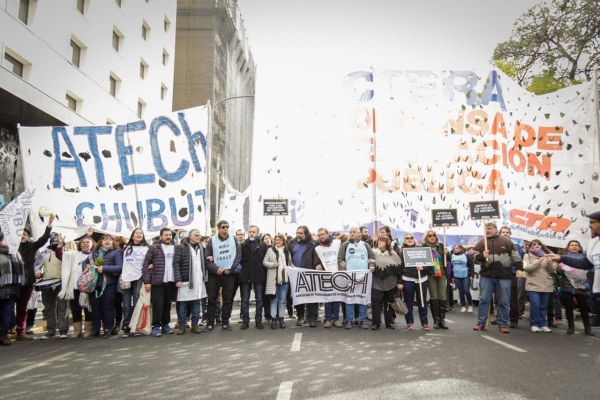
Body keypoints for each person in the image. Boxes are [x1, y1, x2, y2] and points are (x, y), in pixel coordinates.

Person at [547, 211, 600, 335]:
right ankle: (572, 326)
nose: (589, 226)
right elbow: (585, 263)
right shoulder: (594, 243)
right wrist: (561, 258)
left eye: (592, 222)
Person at [472, 222, 523, 334]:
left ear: (496, 229)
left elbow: (516, 257)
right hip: (486, 275)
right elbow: (474, 257)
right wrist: (482, 256)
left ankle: (502, 324)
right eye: (486, 229)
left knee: (504, 301)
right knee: (484, 300)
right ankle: (481, 322)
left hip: (504, 276)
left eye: (489, 228)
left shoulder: (506, 241)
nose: (487, 231)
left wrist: (519, 269)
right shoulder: (481, 242)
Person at [15, 215, 54, 341]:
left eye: (24, 234)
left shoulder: (31, 247)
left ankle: (20, 331)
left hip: (27, 283)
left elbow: (43, 239)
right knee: (7, 308)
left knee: (22, 308)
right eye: (19, 233)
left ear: (28, 236)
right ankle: (7, 330)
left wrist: (49, 225)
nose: (22, 236)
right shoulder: (10, 248)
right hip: (11, 283)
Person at [204, 220, 242, 332]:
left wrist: (230, 269)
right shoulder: (212, 241)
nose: (225, 229)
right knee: (211, 299)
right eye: (223, 227)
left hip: (228, 274)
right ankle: (210, 322)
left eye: (227, 227)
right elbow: (207, 257)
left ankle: (225, 322)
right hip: (214, 275)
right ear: (218, 229)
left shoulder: (234, 239)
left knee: (227, 300)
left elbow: (238, 256)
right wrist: (216, 269)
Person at [338, 226, 375, 329]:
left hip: (364, 276)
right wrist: (342, 271)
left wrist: (372, 266)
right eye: (350, 232)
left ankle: (362, 320)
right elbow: (340, 259)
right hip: (350, 276)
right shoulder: (344, 245)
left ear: (359, 234)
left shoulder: (365, 245)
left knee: (362, 298)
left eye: (354, 232)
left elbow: (372, 257)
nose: (352, 233)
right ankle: (349, 319)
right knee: (349, 298)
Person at [59, 230, 94, 338]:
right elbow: (60, 255)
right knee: (75, 309)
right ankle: (77, 330)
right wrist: (61, 244)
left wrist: (88, 235)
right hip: (74, 287)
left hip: (88, 288)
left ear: (92, 244)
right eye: (83, 242)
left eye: (87, 242)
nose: (85, 244)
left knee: (88, 309)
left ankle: (88, 329)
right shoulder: (74, 255)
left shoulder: (95, 255)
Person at [142, 228, 176, 337]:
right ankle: (156, 326)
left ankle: (166, 324)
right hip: (157, 281)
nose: (168, 237)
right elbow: (146, 264)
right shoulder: (154, 248)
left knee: (167, 304)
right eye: (165, 235)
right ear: (161, 236)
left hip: (171, 281)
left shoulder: (176, 247)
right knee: (157, 305)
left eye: (170, 235)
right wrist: (147, 281)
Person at [88, 235, 123, 338]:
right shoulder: (94, 253)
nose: (107, 241)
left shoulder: (116, 252)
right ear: (101, 242)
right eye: (105, 239)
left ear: (113, 242)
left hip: (109, 284)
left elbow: (119, 267)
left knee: (108, 307)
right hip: (94, 284)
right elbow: (85, 263)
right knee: (95, 308)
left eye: (110, 239)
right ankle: (96, 330)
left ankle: (107, 329)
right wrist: (87, 267)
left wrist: (104, 268)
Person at [556, 240, 594, 335]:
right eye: (572, 245)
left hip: (581, 287)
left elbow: (590, 273)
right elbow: (559, 273)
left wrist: (587, 286)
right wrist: (559, 269)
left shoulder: (585, 259)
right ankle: (570, 327)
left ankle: (587, 328)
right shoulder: (564, 259)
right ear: (568, 247)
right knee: (568, 307)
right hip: (567, 286)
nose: (574, 247)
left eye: (576, 245)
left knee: (583, 307)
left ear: (579, 247)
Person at [36, 232, 70, 339]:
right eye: (54, 240)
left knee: (62, 307)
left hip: (61, 283)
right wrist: (37, 273)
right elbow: (36, 266)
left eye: (58, 240)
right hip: (46, 283)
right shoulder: (44, 253)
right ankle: (51, 330)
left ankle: (63, 330)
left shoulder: (66, 252)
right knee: (49, 308)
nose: (56, 242)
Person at [173, 229, 207, 335]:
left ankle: (195, 325)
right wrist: (178, 279)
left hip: (198, 280)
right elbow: (176, 264)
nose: (198, 237)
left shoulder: (201, 247)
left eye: (199, 235)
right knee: (183, 304)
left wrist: (209, 258)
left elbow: (203, 262)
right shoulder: (181, 247)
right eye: (196, 235)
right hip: (185, 280)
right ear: (190, 236)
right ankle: (182, 326)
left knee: (196, 303)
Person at [119, 229, 149, 337]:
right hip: (126, 278)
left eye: (141, 233)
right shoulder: (125, 248)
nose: (139, 234)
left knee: (137, 304)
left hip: (139, 278)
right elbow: (117, 239)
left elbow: (151, 260)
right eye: (137, 233)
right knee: (126, 305)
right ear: (132, 236)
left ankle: (135, 326)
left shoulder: (147, 248)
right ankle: (126, 326)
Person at [522, 239, 557, 333]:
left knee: (543, 306)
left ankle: (542, 324)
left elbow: (552, 270)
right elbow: (527, 268)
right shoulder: (527, 255)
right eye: (534, 244)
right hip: (533, 284)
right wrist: (538, 261)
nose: (537, 245)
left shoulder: (546, 255)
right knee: (535, 305)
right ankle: (534, 324)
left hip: (546, 284)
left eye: (539, 244)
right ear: (531, 246)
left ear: (542, 246)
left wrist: (549, 262)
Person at [399, 233, 431, 331]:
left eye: (411, 238)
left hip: (421, 278)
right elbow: (398, 267)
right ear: (404, 240)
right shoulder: (400, 251)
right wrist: (399, 281)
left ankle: (424, 323)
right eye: (407, 238)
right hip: (407, 278)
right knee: (409, 302)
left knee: (422, 301)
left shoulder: (422, 249)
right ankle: (409, 322)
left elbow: (430, 264)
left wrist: (423, 267)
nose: (409, 239)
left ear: (414, 239)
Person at [289, 226, 321, 327]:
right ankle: (300, 317)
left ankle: (312, 318)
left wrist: (316, 265)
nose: (298, 235)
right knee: (299, 297)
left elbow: (317, 256)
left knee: (312, 297)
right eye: (297, 232)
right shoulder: (292, 243)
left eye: (301, 233)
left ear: (306, 234)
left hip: (309, 273)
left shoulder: (313, 244)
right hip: (296, 274)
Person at [239, 225, 269, 330]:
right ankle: (245, 321)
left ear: (257, 233)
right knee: (245, 299)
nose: (251, 233)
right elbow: (239, 259)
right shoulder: (242, 245)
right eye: (250, 231)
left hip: (259, 274)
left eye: (254, 232)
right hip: (245, 275)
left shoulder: (263, 245)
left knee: (259, 299)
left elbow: (266, 260)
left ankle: (258, 321)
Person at [371, 236, 402, 329]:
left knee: (389, 302)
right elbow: (370, 262)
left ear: (387, 243)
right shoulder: (373, 252)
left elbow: (399, 268)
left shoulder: (393, 254)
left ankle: (389, 322)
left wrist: (399, 281)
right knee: (376, 302)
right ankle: (376, 323)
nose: (379, 243)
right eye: (378, 241)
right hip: (376, 281)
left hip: (390, 282)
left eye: (381, 241)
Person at [0, 231, 25, 346]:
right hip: (8, 287)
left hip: (9, 288)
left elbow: (21, 271)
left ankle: (3, 335)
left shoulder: (15, 253)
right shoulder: (13, 253)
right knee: (6, 312)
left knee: (6, 312)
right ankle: (3, 335)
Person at [315, 228, 342, 328]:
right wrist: (317, 264)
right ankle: (328, 319)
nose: (321, 236)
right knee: (327, 298)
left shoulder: (337, 243)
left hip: (337, 275)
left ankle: (336, 319)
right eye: (319, 235)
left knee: (336, 297)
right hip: (326, 276)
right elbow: (316, 260)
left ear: (328, 234)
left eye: (322, 234)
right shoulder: (317, 248)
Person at [422, 229, 449, 330]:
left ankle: (442, 320)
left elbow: (447, 260)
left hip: (441, 273)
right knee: (434, 296)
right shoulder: (424, 247)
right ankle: (436, 320)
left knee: (442, 296)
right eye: (429, 235)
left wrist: (447, 253)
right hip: (430, 274)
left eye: (433, 235)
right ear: (427, 237)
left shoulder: (441, 246)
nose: (432, 237)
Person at [263, 234, 291, 329]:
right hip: (273, 280)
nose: (278, 241)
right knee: (274, 300)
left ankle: (282, 319)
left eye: (280, 240)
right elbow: (264, 262)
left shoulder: (287, 251)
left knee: (282, 301)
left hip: (285, 280)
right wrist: (272, 264)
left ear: (283, 241)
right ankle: (273, 320)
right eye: (276, 240)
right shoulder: (270, 250)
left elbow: (290, 263)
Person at [500, 226, 524, 328]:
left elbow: (519, 259)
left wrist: (518, 271)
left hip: (511, 273)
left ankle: (514, 319)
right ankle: (501, 318)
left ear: (510, 234)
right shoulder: (496, 244)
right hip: (499, 274)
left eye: (507, 232)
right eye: (503, 232)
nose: (505, 234)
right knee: (500, 298)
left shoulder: (516, 245)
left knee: (512, 298)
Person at [450, 244, 474, 313]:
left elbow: (471, 265)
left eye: (457, 248)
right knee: (461, 291)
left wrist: (471, 275)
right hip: (457, 275)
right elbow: (451, 267)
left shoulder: (466, 255)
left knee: (466, 291)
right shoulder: (452, 255)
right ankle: (463, 305)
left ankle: (470, 304)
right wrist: (452, 277)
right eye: (454, 248)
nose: (455, 249)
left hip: (465, 275)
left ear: (461, 249)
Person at [518, 240, 531, 318]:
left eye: (528, 243)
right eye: (525, 243)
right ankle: (519, 312)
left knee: (531, 296)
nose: (527, 244)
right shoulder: (520, 250)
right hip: (523, 275)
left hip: (532, 276)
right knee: (521, 294)